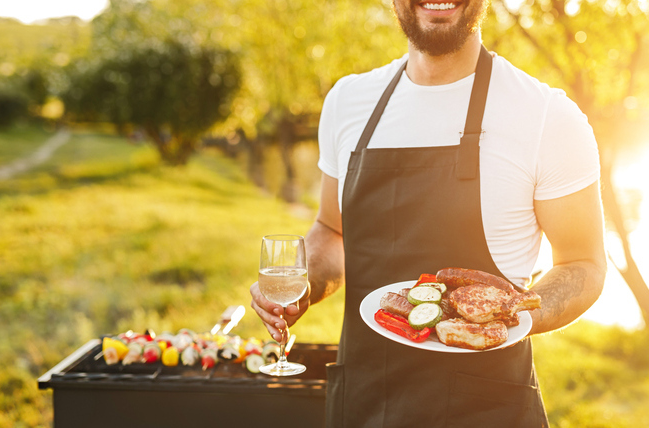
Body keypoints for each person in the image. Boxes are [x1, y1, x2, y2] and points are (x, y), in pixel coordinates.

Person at [250, 0, 607, 426]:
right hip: (364, 403)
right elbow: (331, 230)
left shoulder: (548, 116)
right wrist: (305, 282)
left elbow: (583, 265)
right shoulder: (348, 102)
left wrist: (508, 316)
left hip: (485, 409)